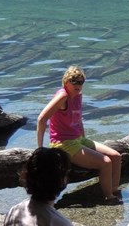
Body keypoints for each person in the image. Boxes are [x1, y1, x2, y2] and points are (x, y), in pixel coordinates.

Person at [37, 65, 122, 202]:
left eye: (81, 82)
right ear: (66, 82)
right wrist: (40, 148)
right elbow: (42, 119)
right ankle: (109, 197)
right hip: (63, 143)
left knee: (116, 156)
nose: (78, 85)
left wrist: (83, 136)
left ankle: (114, 190)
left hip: (78, 139)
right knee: (106, 162)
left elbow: (78, 118)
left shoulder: (78, 96)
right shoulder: (62, 96)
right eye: (74, 81)